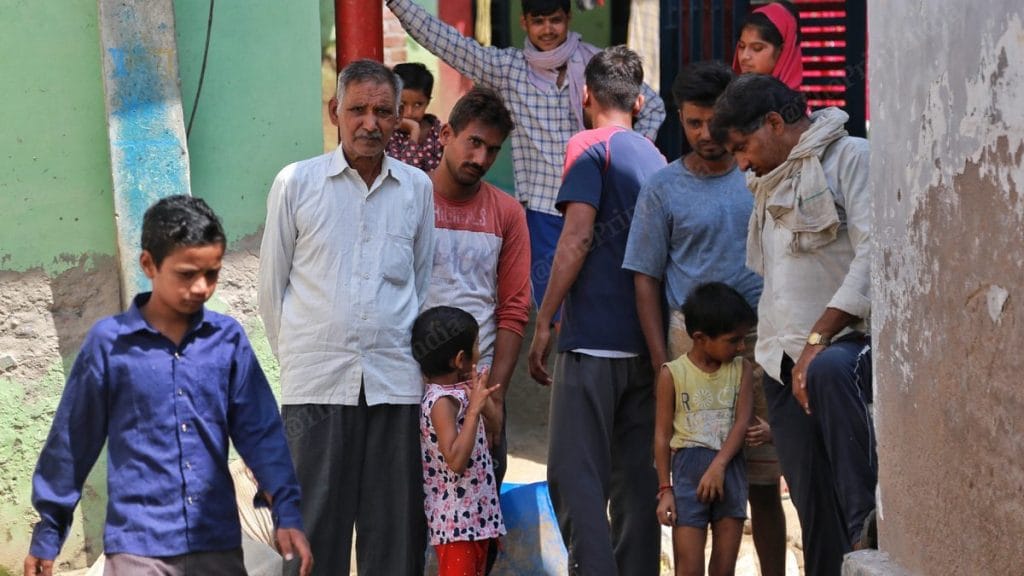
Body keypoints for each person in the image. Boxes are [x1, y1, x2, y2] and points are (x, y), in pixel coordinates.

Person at [24, 195, 312, 576]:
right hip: (139, 547)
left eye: (212, 274)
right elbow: (72, 443)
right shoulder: (109, 345)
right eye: (186, 274)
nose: (201, 287)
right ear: (149, 264)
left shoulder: (227, 342)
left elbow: (262, 435)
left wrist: (286, 512)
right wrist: (48, 533)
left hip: (216, 543)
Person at [258, 59, 435, 576]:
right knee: (313, 533)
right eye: (358, 110)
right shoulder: (296, 183)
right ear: (336, 111)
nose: (370, 123)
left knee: (395, 532)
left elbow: (420, 284)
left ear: (398, 117)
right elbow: (271, 289)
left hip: (394, 383)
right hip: (316, 385)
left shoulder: (417, 188)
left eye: (383, 112)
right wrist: (301, 360)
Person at [385, 0, 666, 309]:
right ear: (524, 23)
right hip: (544, 211)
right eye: (538, 21)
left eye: (555, 20)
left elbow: (653, 106)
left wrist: (622, 154)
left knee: (598, 303)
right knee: (552, 308)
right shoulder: (509, 69)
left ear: (568, 18)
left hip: (596, 208)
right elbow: (445, 41)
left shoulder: (595, 65)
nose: (548, 29)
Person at [623, 61, 787, 576]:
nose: (705, 134)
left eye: (714, 122)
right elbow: (645, 277)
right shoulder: (662, 188)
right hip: (688, 351)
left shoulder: (759, 177)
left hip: (761, 341)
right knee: (695, 475)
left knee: (763, 481)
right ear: (680, 118)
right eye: (693, 123)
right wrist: (662, 360)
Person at [711, 74, 876, 576]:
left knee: (854, 513)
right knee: (812, 511)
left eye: (743, 147)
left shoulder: (851, 157)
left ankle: (869, 537)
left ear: (774, 123)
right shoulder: (768, 181)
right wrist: (789, 355)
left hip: (845, 352)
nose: (741, 163)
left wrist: (817, 340)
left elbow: (875, 255)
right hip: (782, 364)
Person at [528, 46, 666, 576]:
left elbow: (577, 237)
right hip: (646, 344)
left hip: (591, 343)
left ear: (584, 95)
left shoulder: (587, 146)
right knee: (635, 477)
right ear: (638, 102)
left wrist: (546, 318)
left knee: (575, 475)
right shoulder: (655, 159)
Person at [423, 87, 530, 489]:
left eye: (493, 150)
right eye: (474, 143)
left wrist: (494, 394)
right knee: (412, 511)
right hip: (412, 386)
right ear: (445, 134)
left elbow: (514, 309)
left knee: (479, 511)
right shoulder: (410, 200)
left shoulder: (507, 212)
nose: (481, 159)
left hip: (477, 390)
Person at [654, 282, 755, 576]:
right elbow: (661, 436)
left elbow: (742, 422)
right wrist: (665, 489)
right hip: (687, 474)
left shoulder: (742, 370)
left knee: (724, 569)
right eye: (733, 340)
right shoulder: (672, 374)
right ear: (700, 338)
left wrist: (718, 466)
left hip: (730, 471)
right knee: (688, 569)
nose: (742, 347)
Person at [413, 306, 506, 576]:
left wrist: (483, 401)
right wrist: (474, 410)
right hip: (456, 524)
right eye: (477, 345)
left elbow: (496, 427)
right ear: (460, 359)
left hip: (477, 517)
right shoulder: (440, 402)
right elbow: (455, 460)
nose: (480, 350)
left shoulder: (462, 390)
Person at [386, 62, 444, 172]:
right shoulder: (388, 134)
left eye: (418, 105)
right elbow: (403, 175)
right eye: (402, 104)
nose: (409, 113)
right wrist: (414, 131)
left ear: (428, 102)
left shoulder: (439, 134)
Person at [733, 1, 803, 89]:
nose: (744, 56)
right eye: (741, 46)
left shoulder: (790, 98)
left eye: (757, 48)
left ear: (782, 51)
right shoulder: (731, 95)